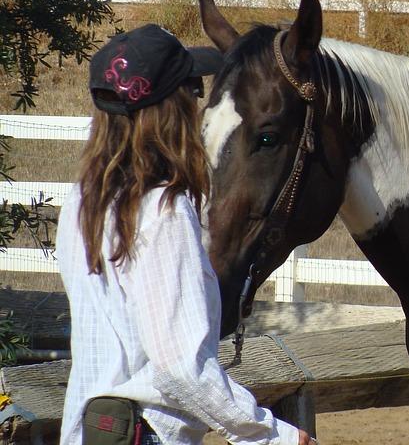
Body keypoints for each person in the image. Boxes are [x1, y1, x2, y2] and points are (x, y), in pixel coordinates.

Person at [57, 24, 314, 444]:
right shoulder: (164, 211)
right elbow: (180, 365)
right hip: (147, 432)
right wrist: (270, 435)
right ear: (169, 109)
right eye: (193, 91)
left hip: (90, 430)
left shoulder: (82, 203)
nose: (197, 104)